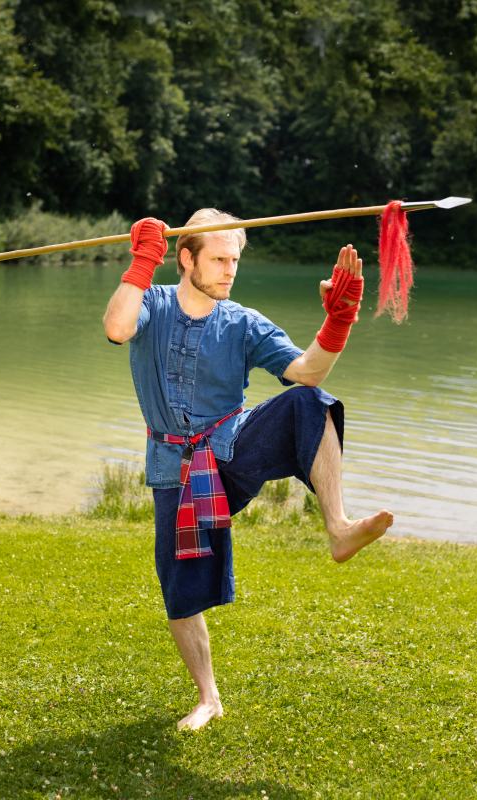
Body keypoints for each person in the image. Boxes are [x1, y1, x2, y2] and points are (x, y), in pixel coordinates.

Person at [103, 209, 394, 731]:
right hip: (175, 466)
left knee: (311, 400)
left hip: (231, 449)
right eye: (218, 258)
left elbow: (306, 370)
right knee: (180, 592)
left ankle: (339, 527)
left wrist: (339, 319)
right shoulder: (152, 304)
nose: (229, 269)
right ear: (185, 257)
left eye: (234, 259)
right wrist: (142, 261)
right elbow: (116, 328)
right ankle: (208, 698)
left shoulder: (243, 321)